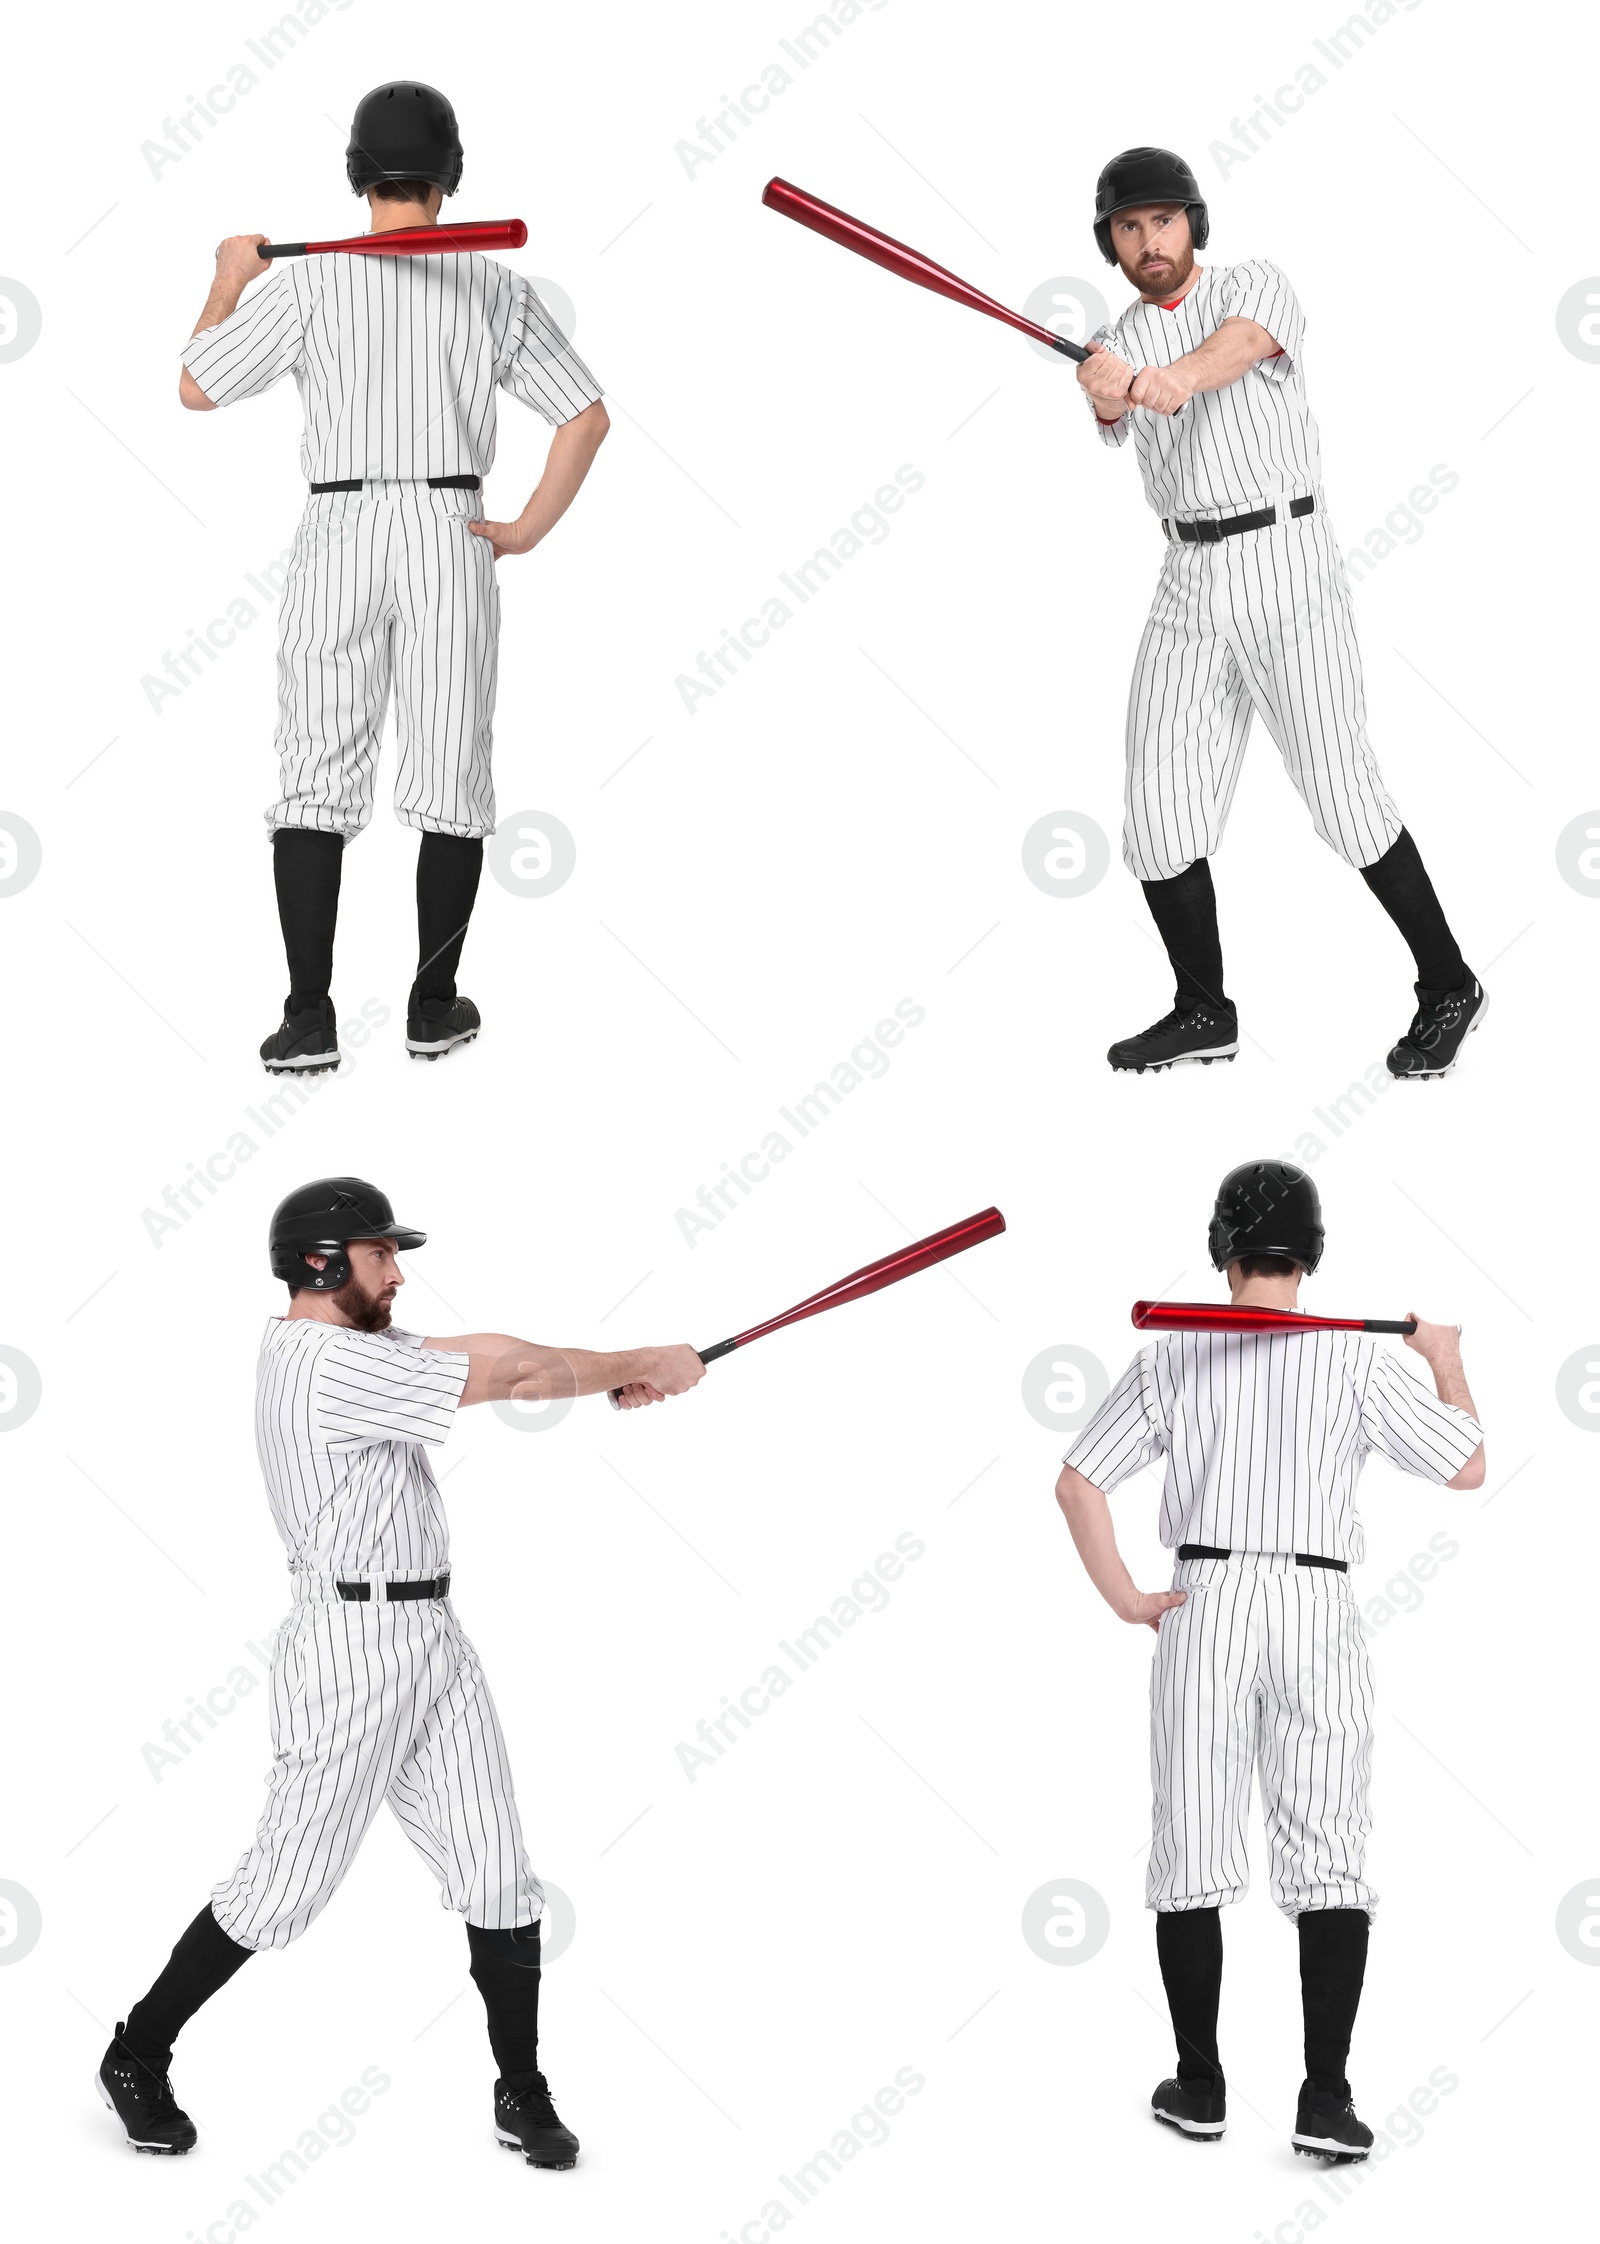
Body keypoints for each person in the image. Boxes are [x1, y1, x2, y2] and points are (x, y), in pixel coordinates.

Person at [96, 1176, 704, 2168]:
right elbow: (510, 1375)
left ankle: (521, 2088)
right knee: (279, 1888)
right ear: (322, 1264)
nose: (398, 1271)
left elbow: (486, 1353)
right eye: (381, 1254)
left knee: (499, 1872)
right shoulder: (322, 1362)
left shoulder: (359, 1350)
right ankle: (137, 2049)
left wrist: (614, 1373)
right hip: (349, 1652)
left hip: (430, 1634)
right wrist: (647, 1362)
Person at [1053, 1160, 1484, 2161]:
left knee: (1190, 1843)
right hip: (1315, 1599)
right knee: (1328, 1846)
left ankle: (1198, 2086)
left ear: (1223, 1248)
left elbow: (1076, 1483)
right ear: (1311, 1254)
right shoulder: (1358, 1358)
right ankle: (1323, 2100)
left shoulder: (1175, 1355)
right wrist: (1445, 1357)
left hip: (1200, 1600)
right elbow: (1466, 1461)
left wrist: (1125, 1599)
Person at [179, 81, 610, 1070]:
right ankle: (431, 1004)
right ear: (450, 173)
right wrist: (525, 530)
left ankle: (306, 1017)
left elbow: (196, 382)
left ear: (356, 174)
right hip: (449, 523)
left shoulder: (305, 283)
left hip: (336, 522)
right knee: (453, 765)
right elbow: (585, 416)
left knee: (314, 770)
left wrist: (228, 276)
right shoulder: (495, 287)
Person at [1076, 147, 1484, 1079]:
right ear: (1112, 241)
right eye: (1130, 227)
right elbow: (1115, 414)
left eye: (1163, 220)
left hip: (1286, 560)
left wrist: (1171, 376)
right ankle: (1202, 1010)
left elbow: (1241, 348)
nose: (1150, 241)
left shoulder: (1252, 283)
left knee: (1340, 792)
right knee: (1156, 805)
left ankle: (1449, 982)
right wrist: (1103, 395)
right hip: (1184, 571)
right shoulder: (1116, 334)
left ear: (1193, 224)